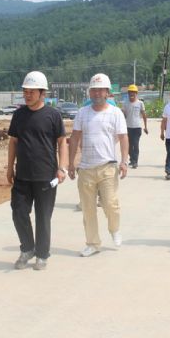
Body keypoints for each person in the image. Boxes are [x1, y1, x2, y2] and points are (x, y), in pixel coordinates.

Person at [7, 71, 68, 271]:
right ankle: (27, 248)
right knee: (18, 212)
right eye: (25, 91)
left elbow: (62, 142)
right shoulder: (19, 115)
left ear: (42, 93)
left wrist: (62, 168)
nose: (27, 95)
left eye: (32, 92)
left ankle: (42, 254)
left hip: (46, 176)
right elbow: (13, 142)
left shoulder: (53, 115)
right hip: (22, 175)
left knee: (43, 217)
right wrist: (10, 167)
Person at [68, 73, 129, 257]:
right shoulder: (82, 113)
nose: (96, 93)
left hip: (107, 167)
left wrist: (124, 161)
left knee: (110, 204)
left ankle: (114, 229)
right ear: (89, 92)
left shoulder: (116, 113)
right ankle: (93, 243)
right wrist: (71, 163)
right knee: (88, 209)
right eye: (93, 90)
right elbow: (74, 138)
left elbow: (123, 138)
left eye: (100, 90)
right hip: (86, 168)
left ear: (107, 92)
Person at [122, 84, 148, 169]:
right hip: (128, 128)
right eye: (130, 92)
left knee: (135, 145)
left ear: (136, 93)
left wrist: (146, 126)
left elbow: (144, 115)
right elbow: (123, 116)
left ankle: (135, 161)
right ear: (128, 93)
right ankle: (132, 159)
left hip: (137, 128)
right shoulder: (125, 103)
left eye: (133, 92)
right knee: (129, 146)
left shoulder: (140, 103)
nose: (131, 94)